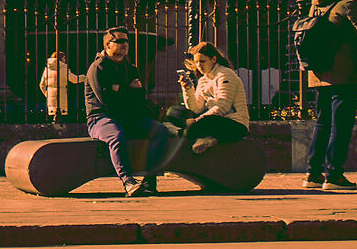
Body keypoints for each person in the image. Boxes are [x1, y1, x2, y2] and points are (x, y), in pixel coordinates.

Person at [302, 0, 357, 191]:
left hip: (319, 72)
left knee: (322, 122)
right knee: (341, 125)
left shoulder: (318, 4)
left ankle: (313, 173)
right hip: (344, 72)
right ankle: (334, 175)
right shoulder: (350, 4)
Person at [85, 26, 172, 195]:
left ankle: (149, 182)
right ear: (108, 45)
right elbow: (106, 101)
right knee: (116, 136)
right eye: (119, 41)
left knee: (160, 130)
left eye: (126, 41)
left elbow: (140, 96)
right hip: (100, 119)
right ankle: (128, 181)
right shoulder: (98, 68)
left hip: (128, 117)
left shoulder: (130, 68)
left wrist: (119, 90)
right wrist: (129, 90)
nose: (125, 44)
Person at [162, 41, 250, 153]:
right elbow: (196, 108)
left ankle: (181, 132)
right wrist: (188, 89)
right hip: (208, 120)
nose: (199, 65)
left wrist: (197, 120)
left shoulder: (225, 74)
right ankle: (205, 137)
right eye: (196, 62)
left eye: (202, 61)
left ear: (214, 59)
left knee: (208, 121)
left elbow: (223, 106)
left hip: (234, 123)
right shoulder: (203, 80)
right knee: (173, 111)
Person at [40, 49, 85, 123]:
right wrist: (84, 77)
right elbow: (74, 79)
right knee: (61, 114)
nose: (65, 60)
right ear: (60, 58)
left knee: (53, 114)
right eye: (64, 58)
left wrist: (47, 94)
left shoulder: (47, 69)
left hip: (51, 94)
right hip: (61, 93)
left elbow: (42, 85)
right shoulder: (63, 69)